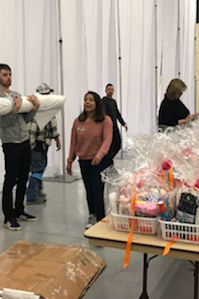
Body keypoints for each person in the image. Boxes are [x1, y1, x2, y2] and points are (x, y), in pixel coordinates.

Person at [0, 64, 40, 231]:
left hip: (24, 140)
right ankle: (8, 216)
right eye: (5, 75)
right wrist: (16, 108)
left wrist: (34, 107)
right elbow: (3, 120)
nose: (8, 78)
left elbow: (26, 119)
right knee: (11, 179)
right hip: (11, 143)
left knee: (23, 177)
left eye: (10, 74)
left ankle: (19, 210)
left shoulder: (16, 95)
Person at [67, 91, 112, 229]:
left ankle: (101, 219)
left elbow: (107, 140)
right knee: (89, 189)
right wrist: (70, 160)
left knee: (98, 190)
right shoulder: (78, 121)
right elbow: (73, 142)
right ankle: (92, 214)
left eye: (91, 100)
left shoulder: (105, 120)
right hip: (84, 160)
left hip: (100, 160)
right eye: (85, 99)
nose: (87, 102)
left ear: (97, 103)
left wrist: (99, 155)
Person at [26, 83, 61, 205]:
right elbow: (53, 125)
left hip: (31, 143)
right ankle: (32, 196)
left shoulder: (32, 107)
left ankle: (38, 191)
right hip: (39, 144)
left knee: (37, 168)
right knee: (38, 169)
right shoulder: (46, 109)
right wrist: (57, 139)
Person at [101, 83, 128, 161]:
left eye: (112, 89)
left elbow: (117, 114)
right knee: (110, 145)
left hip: (115, 126)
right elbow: (103, 113)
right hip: (108, 128)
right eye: (109, 89)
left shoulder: (113, 101)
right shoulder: (104, 101)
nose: (110, 91)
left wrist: (123, 123)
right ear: (105, 90)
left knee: (118, 144)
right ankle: (108, 162)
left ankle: (109, 160)